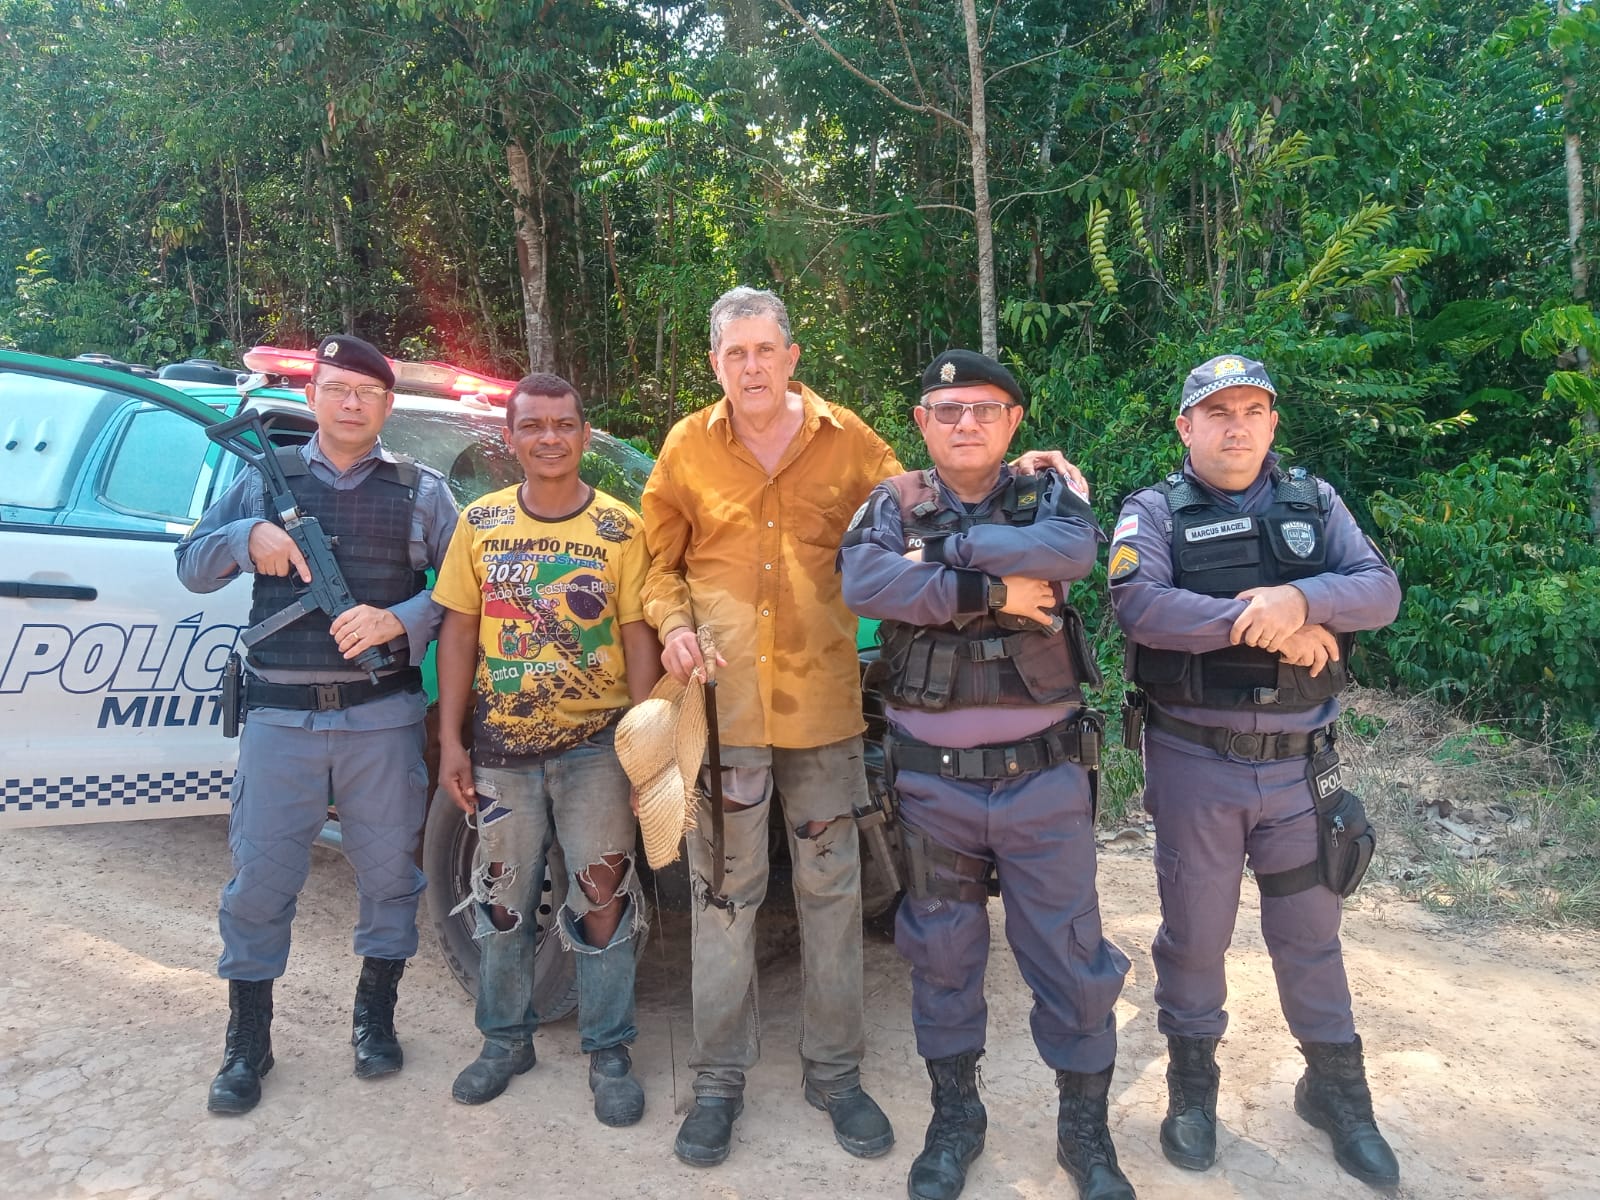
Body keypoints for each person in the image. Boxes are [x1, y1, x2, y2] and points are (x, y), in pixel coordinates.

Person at [642, 288, 1081, 1168]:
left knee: (832, 892)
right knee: (722, 895)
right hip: (723, 711)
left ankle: (836, 1074)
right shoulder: (687, 445)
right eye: (736, 354)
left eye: (766, 350)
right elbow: (660, 563)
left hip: (824, 711)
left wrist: (1022, 469)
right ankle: (718, 1080)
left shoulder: (848, 441)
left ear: (792, 356)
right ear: (716, 364)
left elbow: (935, 497)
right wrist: (673, 623)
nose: (753, 367)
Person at [840, 350, 1136, 1200]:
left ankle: (1085, 1134)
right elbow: (864, 581)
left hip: (1044, 780)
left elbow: (1071, 552)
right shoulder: (890, 501)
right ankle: (955, 1120)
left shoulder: (1049, 491)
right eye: (947, 409)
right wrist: (995, 590)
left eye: (984, 409)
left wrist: (940, 554)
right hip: (932, 787)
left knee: (1071, 955)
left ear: (1013, 422)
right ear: (922, 422)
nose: (965, 422)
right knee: (941, 952)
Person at [1108, 354, 1403, 1189]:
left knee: (1310, 934)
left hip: (1301, 767)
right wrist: (1268, 623)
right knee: (1195, 935)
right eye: (1217, 412)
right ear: (1186, 427)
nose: (1235, 427)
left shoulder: (1315, 501)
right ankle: (1192, 1087)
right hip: (1194, 762)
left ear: (1272, 423)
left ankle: (1337, 1090)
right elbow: (1140, 606)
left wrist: (1301, 601)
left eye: (1251, 411)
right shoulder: (1153, 510)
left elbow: (1379, 591)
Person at [175, 334, 459, 1114]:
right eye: (336, 388)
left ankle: (375, 1018)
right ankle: (248, 1042)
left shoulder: (422, 491)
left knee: (390, 879)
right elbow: (191, 566)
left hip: (381, 720)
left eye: (367, 392)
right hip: (279, 718)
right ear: (311, 398)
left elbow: (467, 587)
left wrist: (400, 619)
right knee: (259, 882)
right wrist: (243, 538)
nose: (351, 403)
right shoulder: (261, 479)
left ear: (387, 405)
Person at [432, 372, 660, 1125]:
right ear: (511, 438)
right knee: (502, 899)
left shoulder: (621, 529)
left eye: (564, 425)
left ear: (585, 435)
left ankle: (609, 1049)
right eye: (532, 426)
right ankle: (504, 1040)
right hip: (501, 751)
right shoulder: (482, 522)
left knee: (604, 897)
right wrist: (451, 741)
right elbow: (459, 632)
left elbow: (638, 638)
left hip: (598, 749)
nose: (550, 438)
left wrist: (645, 749)